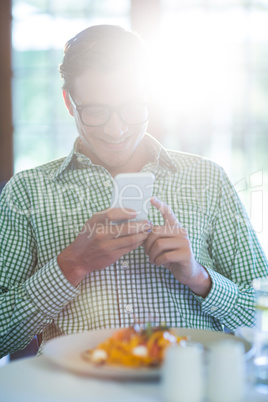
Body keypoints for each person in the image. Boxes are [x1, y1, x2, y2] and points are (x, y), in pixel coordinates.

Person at [0, 25, 267, 358]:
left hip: (186, 388)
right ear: (69, 102)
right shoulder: (27, 191)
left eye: (131, 107)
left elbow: (264, 315)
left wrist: (199, 277)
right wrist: (71, 265)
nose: (117, 129)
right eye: (95, 111)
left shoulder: (207, 179)